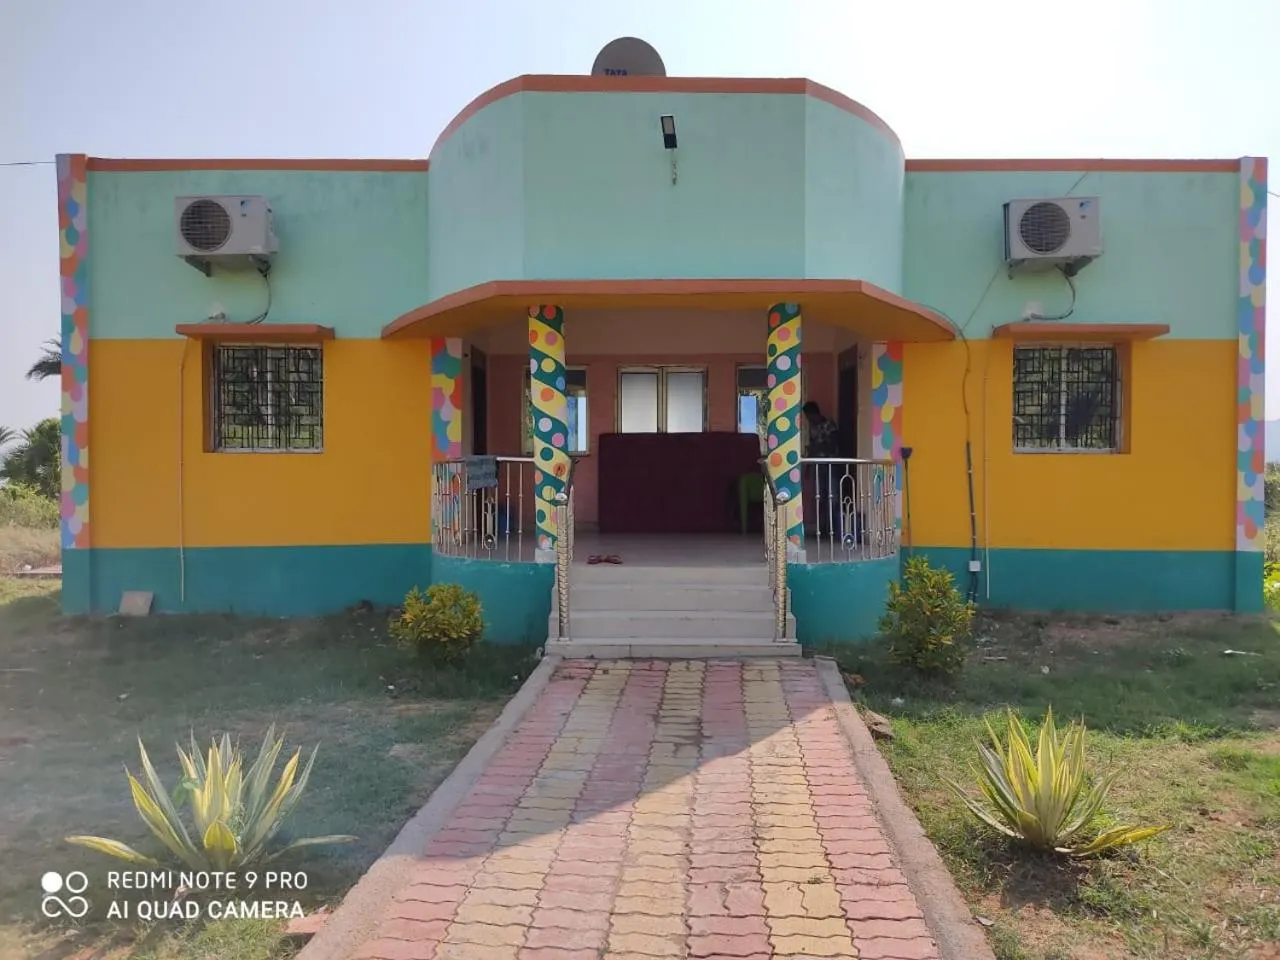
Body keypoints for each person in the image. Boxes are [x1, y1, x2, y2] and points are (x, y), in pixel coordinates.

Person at [800, 401, 845, 538]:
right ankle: (823, 529)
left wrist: (817, 447)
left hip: (831, 465)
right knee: (820, 497)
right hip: (819, 466)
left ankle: (834, 529)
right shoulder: (813, 429)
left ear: (815, 413)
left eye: (809, 416)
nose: (809, 420)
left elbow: (834, 444)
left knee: (833, 497)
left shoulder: (829, 425)